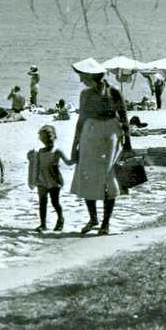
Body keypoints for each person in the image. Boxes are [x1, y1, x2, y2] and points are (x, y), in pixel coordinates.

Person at [70, 59, 129, 236]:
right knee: (86, 174)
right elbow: (81, 120)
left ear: (91, 76)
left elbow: (124, 117)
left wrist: (128, 145)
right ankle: (93, 218)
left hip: (110, 135)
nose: (81, 81)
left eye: (83, 77)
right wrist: (75, 146)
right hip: (90, 133)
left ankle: (105, 222)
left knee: (108, 177)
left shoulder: (114, 93)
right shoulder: (85, 95)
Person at [29, 124, 73, 232]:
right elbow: (34, 164)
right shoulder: (39, 152)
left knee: (55, 202)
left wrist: (78, 156)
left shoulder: (57, 152)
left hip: (54, 180)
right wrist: (29, 157)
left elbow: (68, 162)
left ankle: (60, 219)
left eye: (49, 136)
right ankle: (43, 224)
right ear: (41, 139)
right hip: (41, 180)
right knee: (42, 202)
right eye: (44, 137)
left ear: (54, 136)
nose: (47, 139)